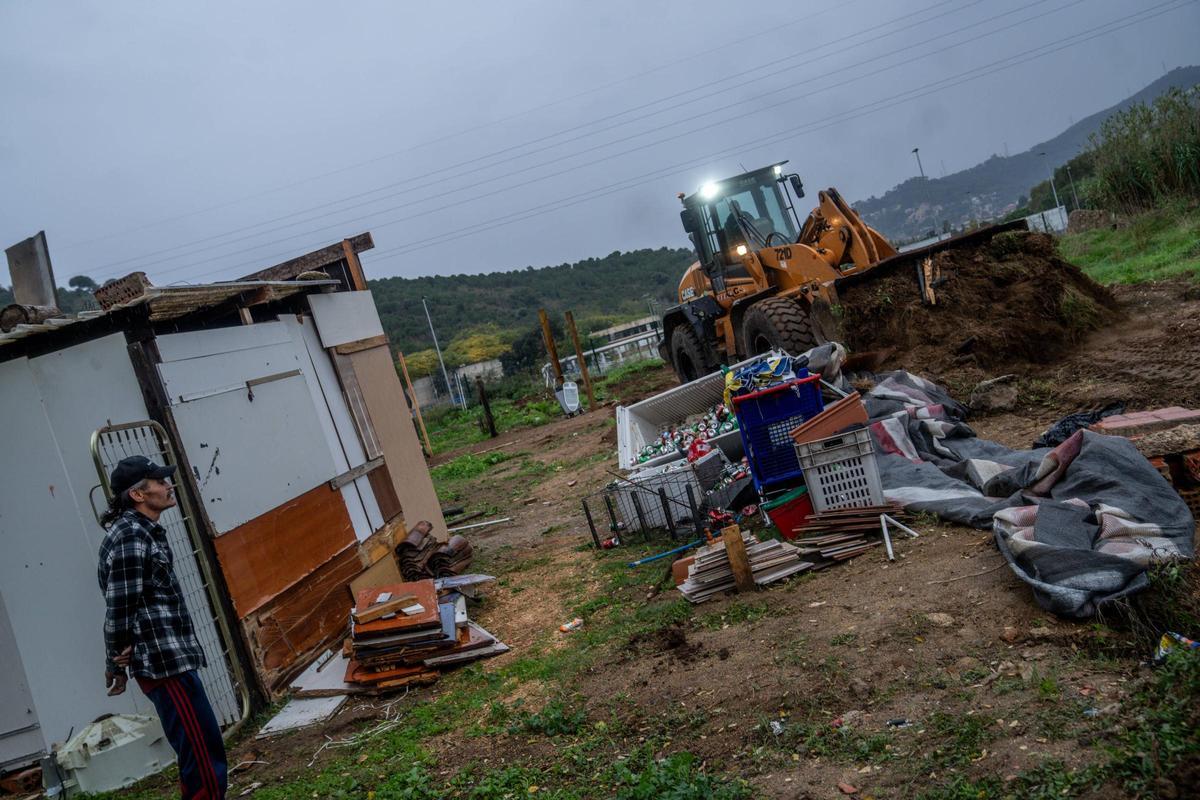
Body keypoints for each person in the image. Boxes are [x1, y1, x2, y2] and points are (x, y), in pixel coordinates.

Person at [97, 456, 227, 799]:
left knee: (201, 745)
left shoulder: (143, 532)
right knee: (200, 753)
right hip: (162, 662)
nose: (168, 485)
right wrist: (115, 664)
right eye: (159, 481)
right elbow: (118, 608)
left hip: (172, 656)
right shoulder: (130, 537)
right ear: (139, 495)